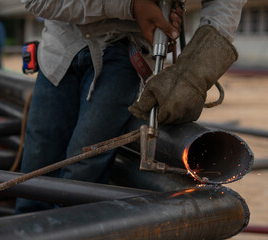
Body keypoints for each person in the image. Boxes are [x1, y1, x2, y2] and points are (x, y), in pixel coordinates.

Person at [15, 0, 246, 213]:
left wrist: (195, 72)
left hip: (125, 47)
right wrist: (131, 6)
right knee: (37, 161)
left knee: (82, 167)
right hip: (61, 44)